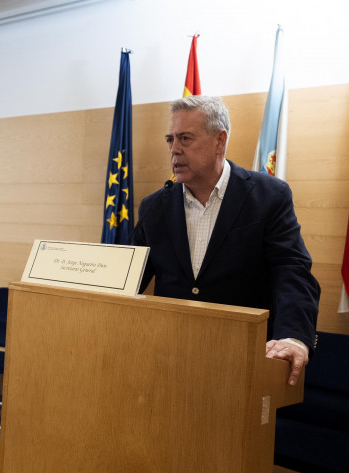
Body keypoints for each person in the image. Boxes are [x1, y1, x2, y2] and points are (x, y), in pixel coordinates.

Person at [132, 95, 320, 386]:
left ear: (220, 140)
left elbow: (291, 270)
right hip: (169, 360)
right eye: (170, 139)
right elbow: (127, 277)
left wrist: (293, 336)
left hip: (242, 360)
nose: (174, 150)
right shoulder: (154, 207)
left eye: (185, 138)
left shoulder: (269, 196)